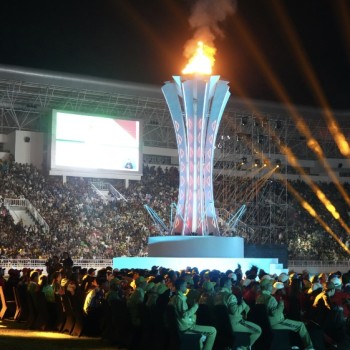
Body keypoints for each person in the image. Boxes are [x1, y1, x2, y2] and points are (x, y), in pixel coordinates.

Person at [257, 278, 315, 350]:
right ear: (267, 286)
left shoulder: (259, 297)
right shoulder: (270, 298)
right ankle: (309, 347)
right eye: (270, 285)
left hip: (267, 323)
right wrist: (281, 304)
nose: (272, 286)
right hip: (276, 322)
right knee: (301, 325)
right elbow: (275, 314)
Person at [214, 276, 261, 349]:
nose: (231, 285)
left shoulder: (215, 295)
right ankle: (244, 347)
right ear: (226, 284)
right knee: (258, 330)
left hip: (220, 324)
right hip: (234, 323)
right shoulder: (230, 296)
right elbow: (235, 312)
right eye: (230, 284)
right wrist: (244, 303)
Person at [170, 278, 217, 350]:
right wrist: (197, 304)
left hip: (184, 325)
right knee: (213, 330)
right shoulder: (180, 299)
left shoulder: (176, 297)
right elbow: (184, 315)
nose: (186, 288)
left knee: (203, 335)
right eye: (185, 286)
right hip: (187, 327)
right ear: (180, 287)